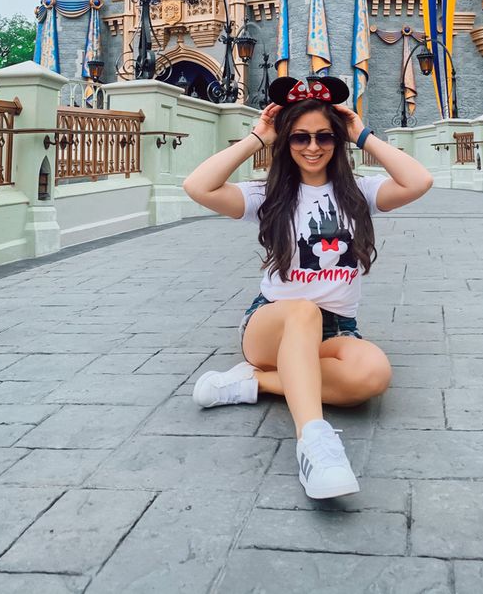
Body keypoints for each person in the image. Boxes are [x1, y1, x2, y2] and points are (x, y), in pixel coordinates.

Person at [182, 76, 433, 499]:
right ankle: (315, 443)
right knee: (303, 309)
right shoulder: (268, 195)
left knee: (372, 376)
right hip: (273, 322)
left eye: (324, 137)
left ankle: (255, 383)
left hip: (338, 330)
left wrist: (361, 133)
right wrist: (257, 137)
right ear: (286, 141)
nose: (312, 147)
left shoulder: (359, 192)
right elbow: (197, 186)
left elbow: (418, 181)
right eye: (299, 137)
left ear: (337, 141)